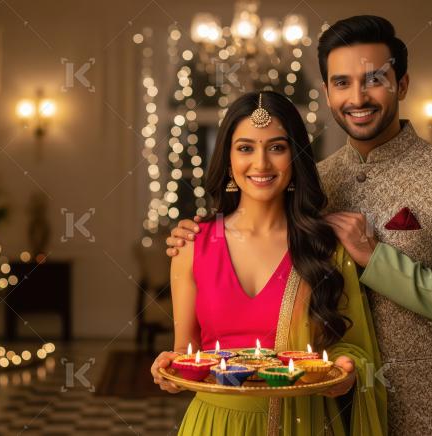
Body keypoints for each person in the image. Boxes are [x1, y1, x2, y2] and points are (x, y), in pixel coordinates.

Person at [165, 16, 432, 435]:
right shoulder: (314, 181)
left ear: (402, 84)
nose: (358, 97)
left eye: (374, 79)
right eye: (343, 82)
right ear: (327, 92)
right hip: (323, 413)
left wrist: (376, 259)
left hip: (425, 413)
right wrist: (200, 238)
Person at [150, 90, 387, 435]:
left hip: (303, 424)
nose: (261, 164)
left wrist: (346, 370)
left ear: (295, 156)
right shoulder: (191, 246)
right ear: (228, 159)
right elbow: (187, 354)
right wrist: (169, 368)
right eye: (245, 148)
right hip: (215, 425)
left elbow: (352, 345)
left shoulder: (324, 246)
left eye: (277, 147)